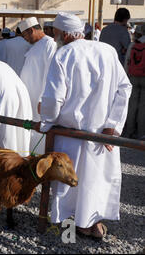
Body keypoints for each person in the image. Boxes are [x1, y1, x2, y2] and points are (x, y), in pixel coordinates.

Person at [40, 12, 132, 239]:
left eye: (56, 34)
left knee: (72, 182)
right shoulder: (108, 51)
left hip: (70, 134)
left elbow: (53, 100)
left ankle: (77, 224)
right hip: (102, 135)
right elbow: (124, 88)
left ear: (63, 34)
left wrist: (47, 120)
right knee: (95, 181)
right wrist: (113, 125)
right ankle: (92, 223)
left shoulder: (63, 55)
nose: (54, 38)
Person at [18, 17, 57, 154]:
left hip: (39, 100)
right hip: (30, 98)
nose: (25, 39)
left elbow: (51, 74)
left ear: (31, 30)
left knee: (40, 132)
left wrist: (43, 98)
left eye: (25, 35)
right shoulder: (36, 46)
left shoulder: (50, 44)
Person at [125, 24, 145, 139]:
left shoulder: (133, 44)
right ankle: (141, 133)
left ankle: (129, 131)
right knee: (143, 106)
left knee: (132, 105)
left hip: (132, 76)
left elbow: (127, 61)